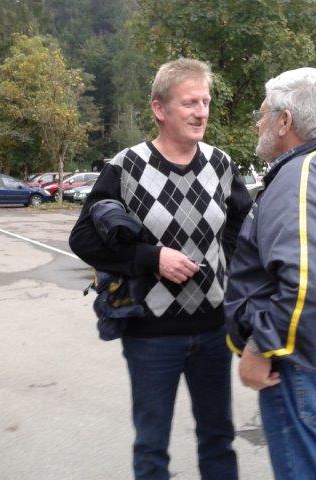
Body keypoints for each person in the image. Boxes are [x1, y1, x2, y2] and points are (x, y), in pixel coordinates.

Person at [70, 58, 251, 480]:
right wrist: (152, 259)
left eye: (205, 102)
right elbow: (83, 239)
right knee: (152, 446)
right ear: (159, 109)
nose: (201, 112)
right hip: (150, 335)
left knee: (218, 438)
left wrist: (221, 262)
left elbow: (243, 222)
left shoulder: (221, 164)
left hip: (212, 330)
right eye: (189, 103)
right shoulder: (126, 166)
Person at [224, 67, 316, 480]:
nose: (258, 124)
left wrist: (260, 348)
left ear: (285, 121)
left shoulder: (302, 175)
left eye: (262, 114)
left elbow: (310, 285)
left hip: (308, 361)